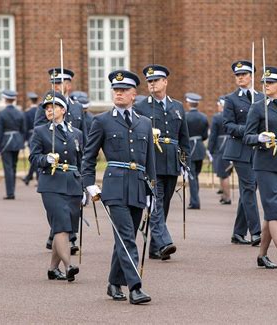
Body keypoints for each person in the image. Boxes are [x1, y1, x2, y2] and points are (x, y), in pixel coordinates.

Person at [82, 70, 156, 304]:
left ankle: (114, 282)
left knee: (127, 236)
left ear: (134, 94)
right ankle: (135, 287)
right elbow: (89, 156)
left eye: (124, 90)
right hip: (114, 187)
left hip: (137, 186)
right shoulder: (102, 121)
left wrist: (152, 191)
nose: (119, 93)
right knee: (126, 236)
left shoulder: (144, 123)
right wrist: (89, 184)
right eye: (116, 90)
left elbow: (149, 160)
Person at [243, 66, 277, 271]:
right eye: (264, 83)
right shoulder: (257, 107)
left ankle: (262, 255)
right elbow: (247, 136)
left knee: (271, 212)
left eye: (270, 83)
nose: (265, 86)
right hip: (265, 165)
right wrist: (259, 138)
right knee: (276, 209)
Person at [135, 64, 190, 260]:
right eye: (149, 81)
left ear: (165, 81)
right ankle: (164, 241)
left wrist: (186, 163)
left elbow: (184, 138)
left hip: (171, 162)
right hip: (151, 163)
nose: (152, 84)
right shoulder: (140, 107)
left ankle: (154, 247)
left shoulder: (177, 107)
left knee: (164, 205)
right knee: (155, 204)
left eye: (155, 80)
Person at [29, 91, 82, 281]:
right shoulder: (41, 131)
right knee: (60, 225)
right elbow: (33, 158)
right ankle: (69, 266)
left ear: (63, 110)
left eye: (53, 108)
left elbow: (81, 161)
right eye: (47, 108)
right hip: (51, 183)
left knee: (67, 227)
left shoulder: (76, 133)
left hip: (73, 184)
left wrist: (83, 187)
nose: (49, 111)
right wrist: (45, 159)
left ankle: (53, 268)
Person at [223, 60, 263, 246]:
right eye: (237, 75)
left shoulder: (261, 97)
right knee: (248, 189)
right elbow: (228, 125)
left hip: (258, 150)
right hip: (239, 150)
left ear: (251, 76)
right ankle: (256, 232)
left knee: (249, 190)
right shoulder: (231, 99)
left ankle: (238, 233)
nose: (240, 78)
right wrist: (248, 130)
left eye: (244, 75)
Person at [34, 68, 88, 145]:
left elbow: (83, 134)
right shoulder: (44, 106)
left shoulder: (77, 107)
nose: (55, 86)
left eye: (59, 83)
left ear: (68, 86)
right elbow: (39, 132)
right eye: (53, 83)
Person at [0, 90, 25, 200]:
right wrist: (22, 141)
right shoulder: (20, 113)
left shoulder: (2, 113)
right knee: (13, 167)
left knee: (8, 168)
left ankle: (10, 193)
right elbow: (23, 130)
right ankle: (12, 190)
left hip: (6, 142)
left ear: (5, 99)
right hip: (17, 141)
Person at [184, 92, 209, 209]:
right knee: (195, 175)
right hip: (199, 148)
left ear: (188, 103)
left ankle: (195, 202)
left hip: (189, 148)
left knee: (192, 176)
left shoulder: (185, 117)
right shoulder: (203, 117)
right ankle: (195, 198)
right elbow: (205, 135)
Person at [208, 96, 232, 204]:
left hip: (221, 147)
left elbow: (213, 135)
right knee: (224, 172)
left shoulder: (217, 117)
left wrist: (210, 149)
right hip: (230, 145)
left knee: (223, 173)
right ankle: (224, 195)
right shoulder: (231, 116)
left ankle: (227, 197)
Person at [22, 92, 39, 186]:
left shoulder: (27, 113)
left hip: (30, 136)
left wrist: (24, 140)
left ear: (30, 101)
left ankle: (33, 177)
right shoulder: (40, 110)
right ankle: (29, 177)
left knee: (34, 157)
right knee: (35, 157)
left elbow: (25, 127)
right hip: (39, 135)